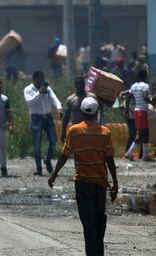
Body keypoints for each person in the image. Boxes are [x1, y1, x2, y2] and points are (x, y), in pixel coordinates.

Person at [48, 97, 118, 256]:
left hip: (83, 184)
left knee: (88, 223)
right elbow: (110, 160)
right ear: (97, 112)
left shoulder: (74, 131)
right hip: (100, 184)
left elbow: (64, 155)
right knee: (99, 219)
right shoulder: (105, 132)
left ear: (81, 112)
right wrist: (115, 184)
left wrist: (54, 175)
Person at [24, 71, 63, 176]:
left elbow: (54, 98)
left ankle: (47, 158)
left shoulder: (47, 88)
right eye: (40, 79)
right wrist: (39, 93)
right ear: (35, 79)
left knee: (53, 140)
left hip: (48, 116)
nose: (42, 81)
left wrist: (59, 108)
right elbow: (29, 102)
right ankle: (39, 168)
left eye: (43, 78)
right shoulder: (28, 89)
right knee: (37, 144)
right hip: (36, 118)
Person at [124, 69, 154, 161]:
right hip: (143, 111)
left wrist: (126, 109)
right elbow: (145, 97)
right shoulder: (145, 86)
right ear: (145, 76)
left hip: (136, 111)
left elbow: (128, 98)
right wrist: (152, 103)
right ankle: (129, 153)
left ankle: (145, 154)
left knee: (146, 132)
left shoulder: (134, 86)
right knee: (140, 133)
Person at [61, 77, 99, 142]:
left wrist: (98, 124)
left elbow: (97, 112)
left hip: (90, 129)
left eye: (81, 84)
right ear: (75, 85)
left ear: (84, 85)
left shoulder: (92, 97)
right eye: (78, 84)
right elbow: (66, 117)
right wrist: (63, 131)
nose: (79, 86)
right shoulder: (71, 99)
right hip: (76, 130)